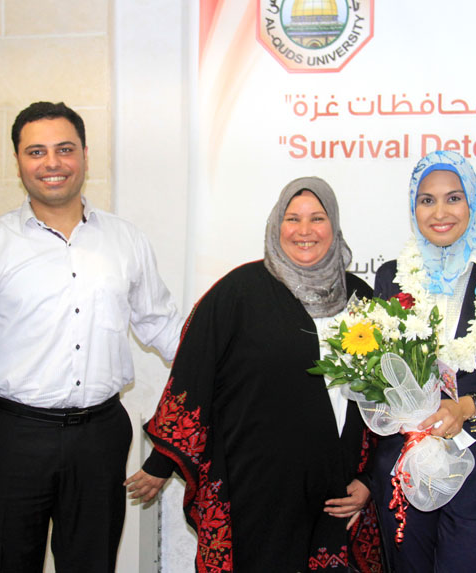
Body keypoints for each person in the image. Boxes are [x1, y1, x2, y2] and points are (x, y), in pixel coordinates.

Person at [125, 177, 384, 572]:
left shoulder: (361, 298)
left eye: (317, 218)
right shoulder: (238, 292)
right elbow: (195, 372)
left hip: (335, 488)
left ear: (334, 225)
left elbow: (385, 400)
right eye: (292, 218)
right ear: (276, 224)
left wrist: (368, 479)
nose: (304, 230)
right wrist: (162, 462)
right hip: (257, 486)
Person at [0, 101, 184, 573]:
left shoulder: (126, 240)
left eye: (64, 149)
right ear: (18, 162)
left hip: (99, 437)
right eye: (36, 152)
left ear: (85, 155)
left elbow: (163, 326)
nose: (52, 163)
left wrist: (225, 366)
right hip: (12, 438)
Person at [369, 150, 476, 572]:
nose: (440, 212)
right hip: (406, 470)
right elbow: (377, 368)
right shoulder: (393, 275)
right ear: (414, 207)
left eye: (453, 198)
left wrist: (464, 407)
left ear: (472, 202)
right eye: (427, 200)